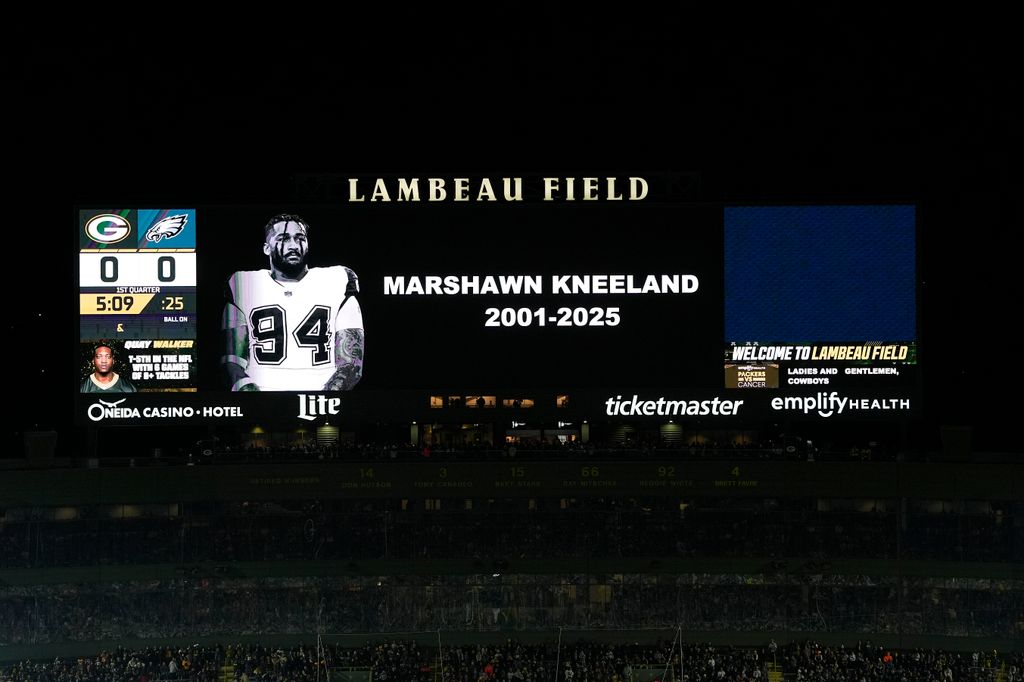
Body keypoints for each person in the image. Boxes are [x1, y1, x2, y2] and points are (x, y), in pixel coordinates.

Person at [222, 214, 364, 391]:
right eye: (284, 239)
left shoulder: (338, 280)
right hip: (260, 398)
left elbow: (351, 365)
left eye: (300, 238)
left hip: (322, 398)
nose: (294, 245)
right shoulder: (243, 284)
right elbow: (232, 362)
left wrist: (321, 403)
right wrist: (256, 403)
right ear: (266, 248)